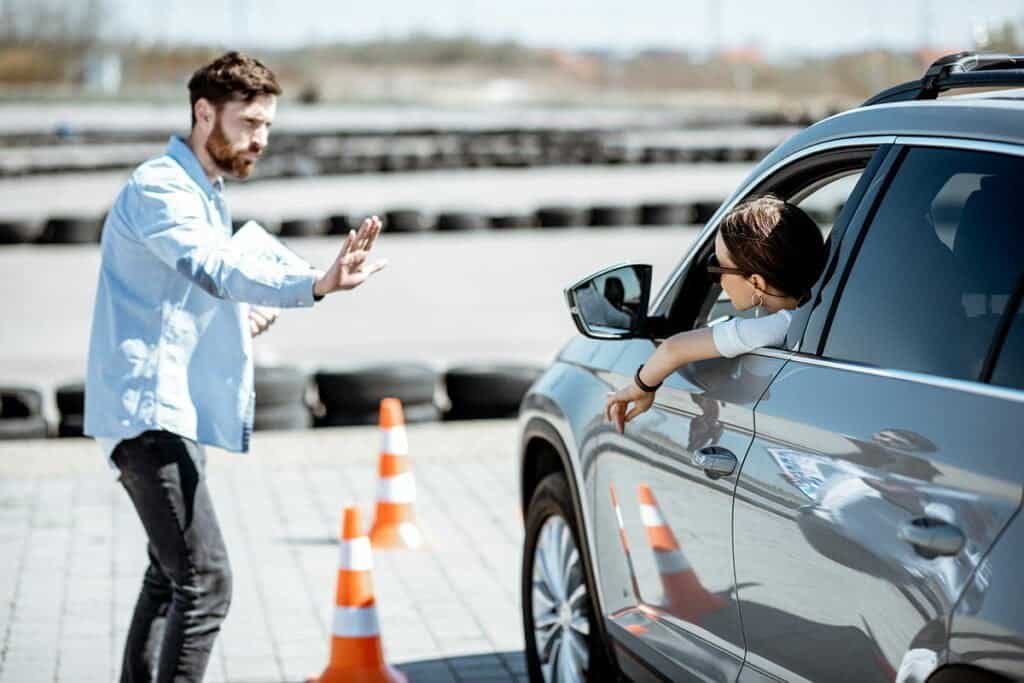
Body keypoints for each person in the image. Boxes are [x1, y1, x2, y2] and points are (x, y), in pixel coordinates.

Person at [82, 52, 387, 682]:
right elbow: (214, 268)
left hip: (163, 413)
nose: (262, 139)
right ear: (203, 112)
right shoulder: (161, 187)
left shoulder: (204, 192)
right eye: (250, 122)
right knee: (206, 582)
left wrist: (237, 320)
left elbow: (180, 299)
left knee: (169, 577)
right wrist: (316, 283)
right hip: (148, 416)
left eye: (269, 125)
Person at [605, 194, 826, 433]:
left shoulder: (776, 328)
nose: (716, 280)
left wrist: (639, 388)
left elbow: (673, 349)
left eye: (716, 267)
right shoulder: (813, 315)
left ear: (756, 282)